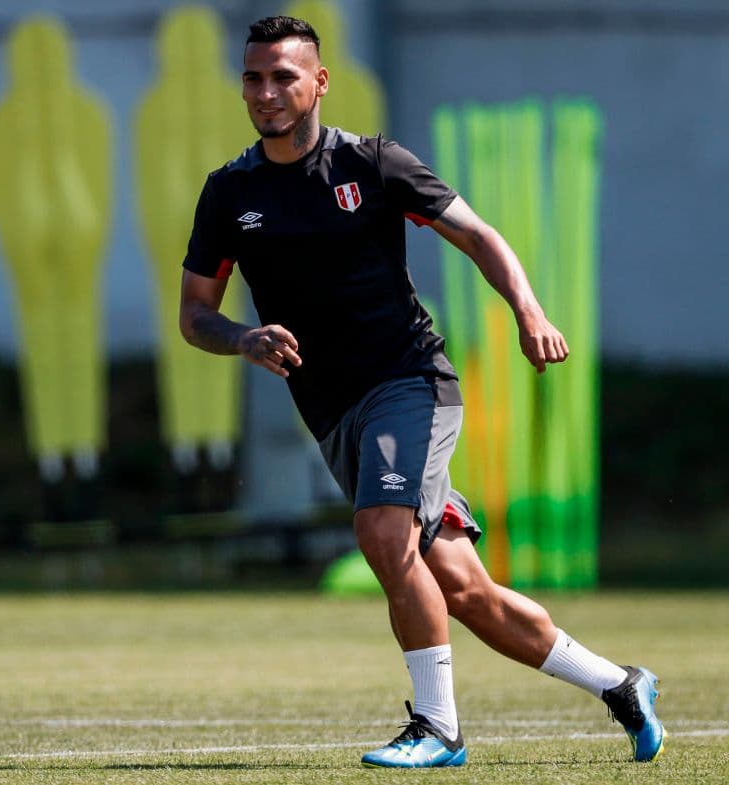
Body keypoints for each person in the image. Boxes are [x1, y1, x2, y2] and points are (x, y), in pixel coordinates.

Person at [178, 15, 664, 769]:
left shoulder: (373, 163)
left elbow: (478, 235)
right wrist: (242, 337)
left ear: (320, 81)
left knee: (381, 532)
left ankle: (438, 728)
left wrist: (528, 310)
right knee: (465, 590)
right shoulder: (228, 193)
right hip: (335, 412)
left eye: (283, 75)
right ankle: (620, 684)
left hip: (411, 384)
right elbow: (195, 315)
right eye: (253, 77)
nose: (266, 91)